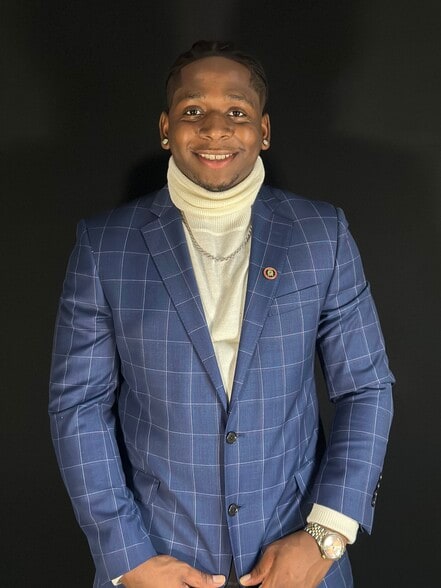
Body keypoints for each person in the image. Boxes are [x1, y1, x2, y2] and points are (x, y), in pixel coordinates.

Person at [49, 40, 394, 588]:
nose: (215, 128)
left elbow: (366, 387)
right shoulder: (105, 246)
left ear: (264, 130)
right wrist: (127, 558)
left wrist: (325, 537)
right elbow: (79, 407)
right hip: (154, 563)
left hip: (301, 562)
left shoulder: (320, 234)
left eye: (236, 111)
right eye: (193, 110)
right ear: (166, 128)